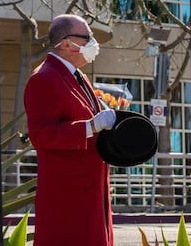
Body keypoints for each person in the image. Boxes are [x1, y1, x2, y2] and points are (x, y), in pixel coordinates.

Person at [24, 14, 117, 246]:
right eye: (87, 37)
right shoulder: (43, 78)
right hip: (67, 198)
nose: (93, 43)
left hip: (91, 193)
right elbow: (41, 134)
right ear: (66, 43)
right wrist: (90, 126)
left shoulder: (78, 76)